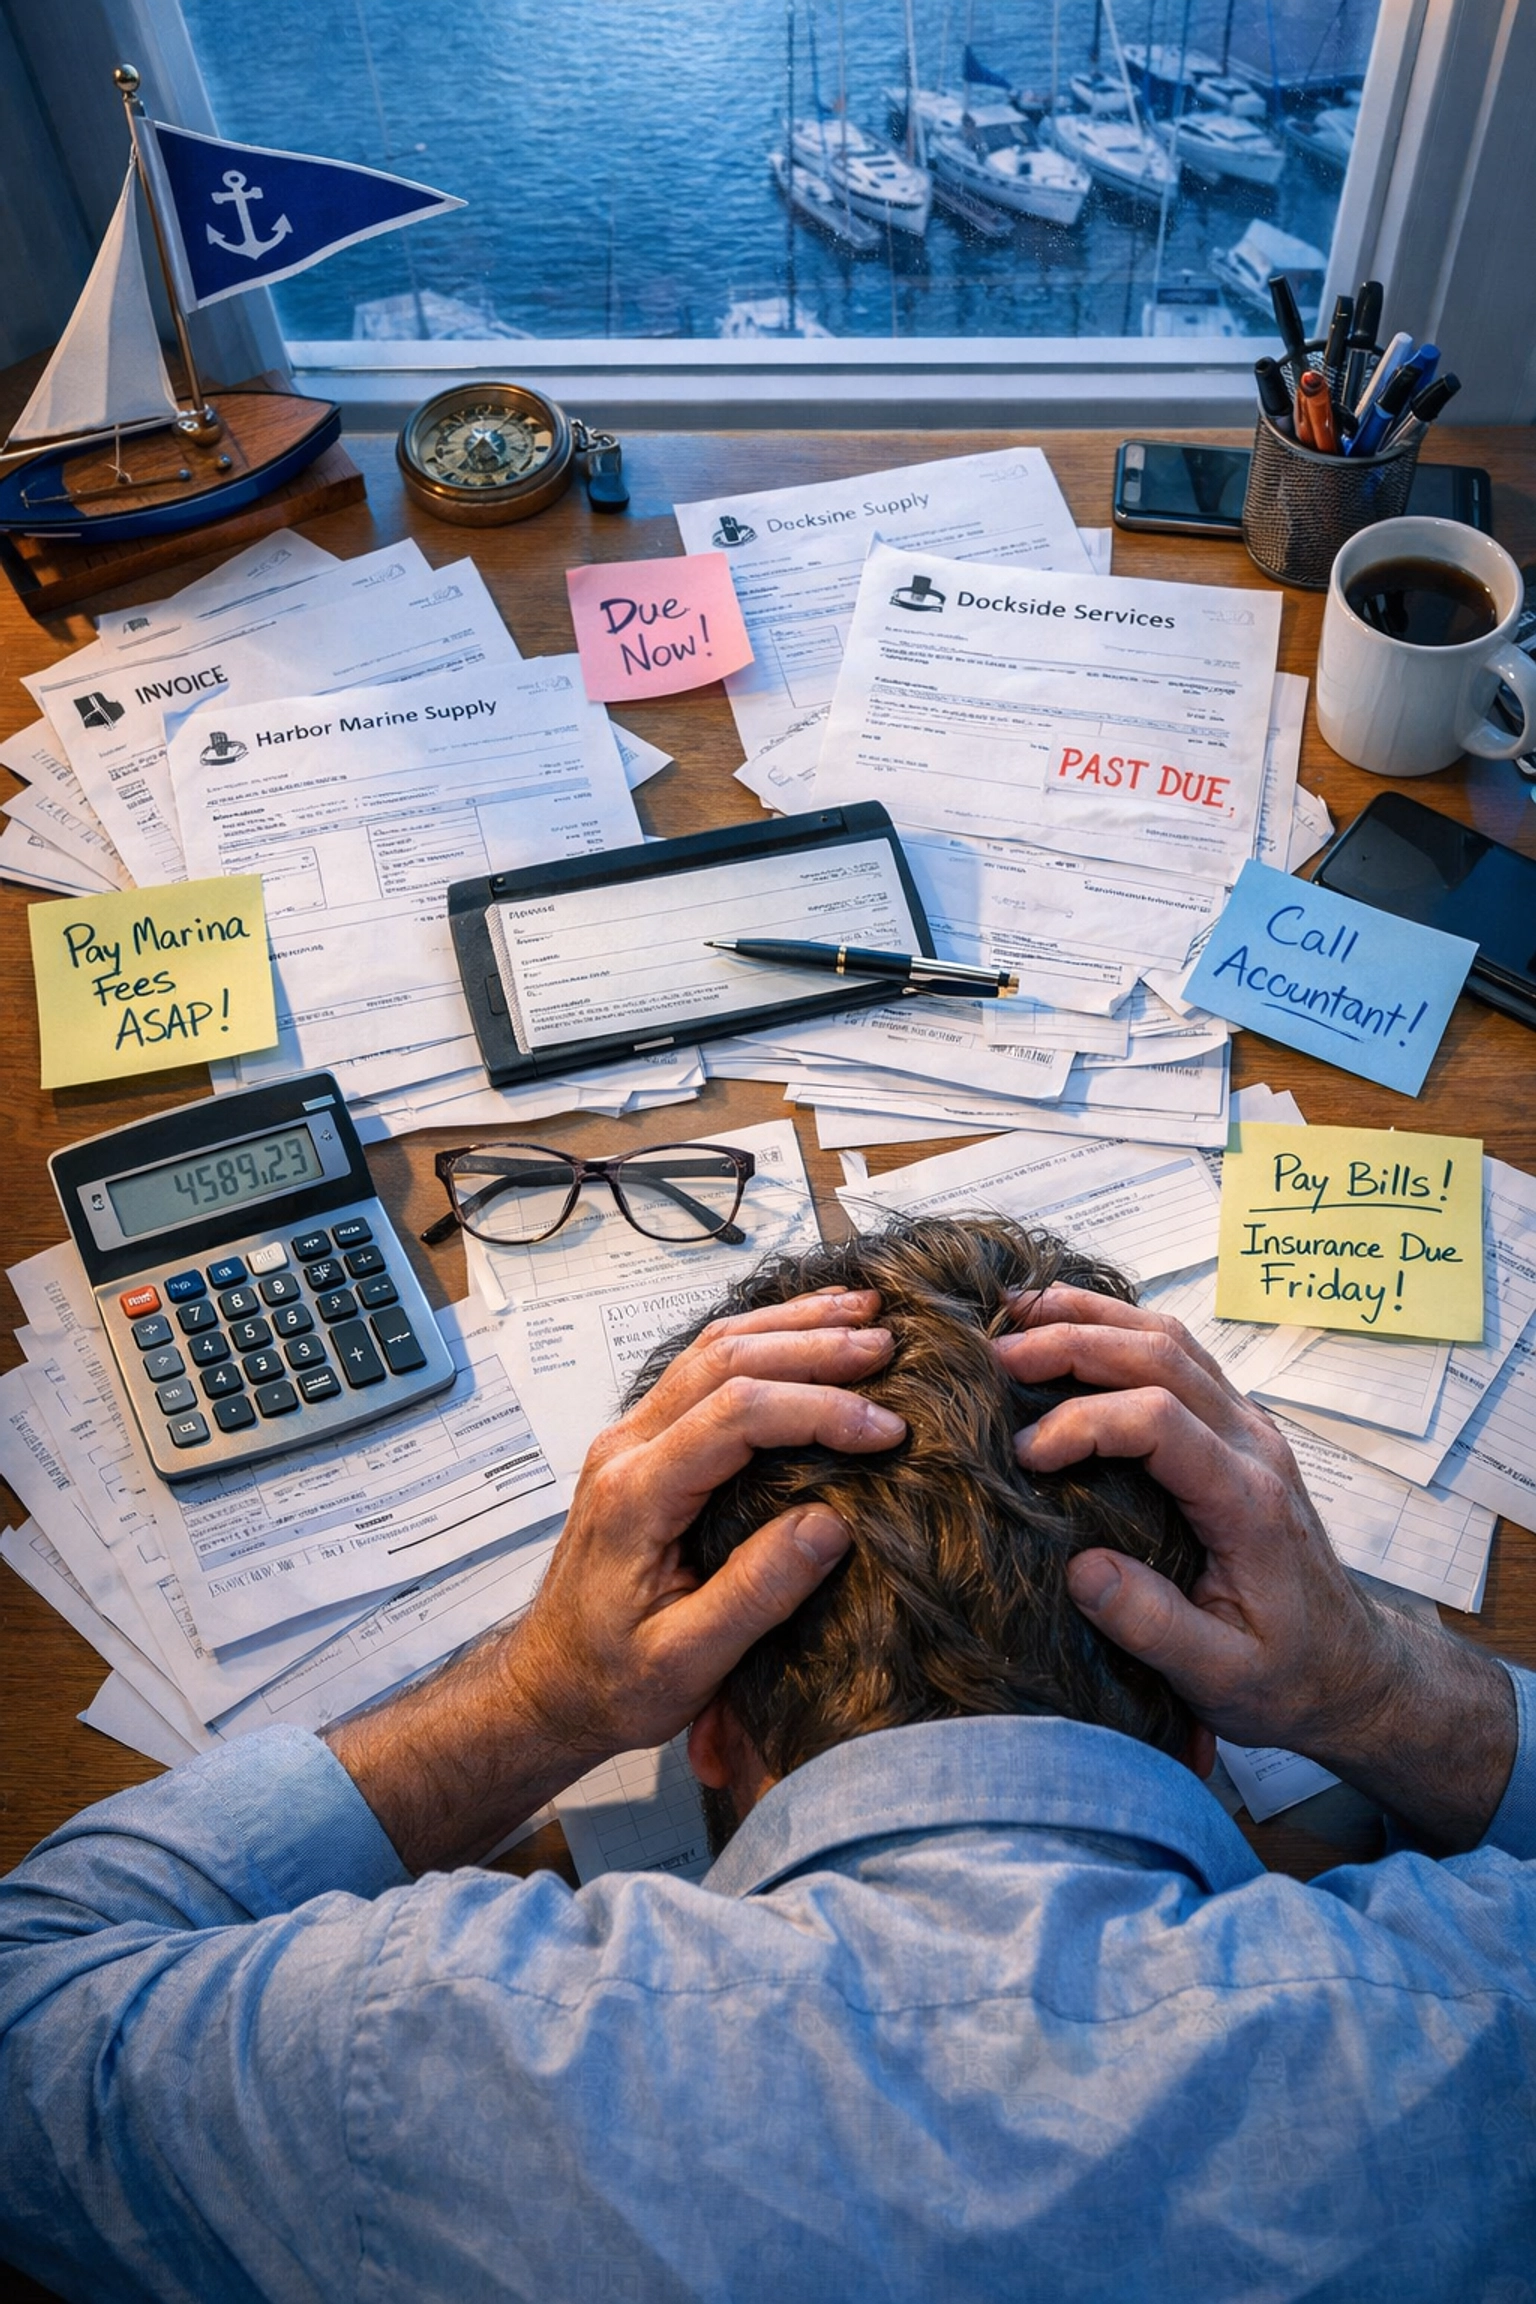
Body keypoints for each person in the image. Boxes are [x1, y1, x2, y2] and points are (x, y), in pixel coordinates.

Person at [0, 1214, 1531, 2303]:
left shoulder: (425, 2047)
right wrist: (1372, 1688)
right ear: (1213, 1724)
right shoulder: (1477, 2031)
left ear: (702, 1721)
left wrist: (537, 1699)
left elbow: (31, 1998)